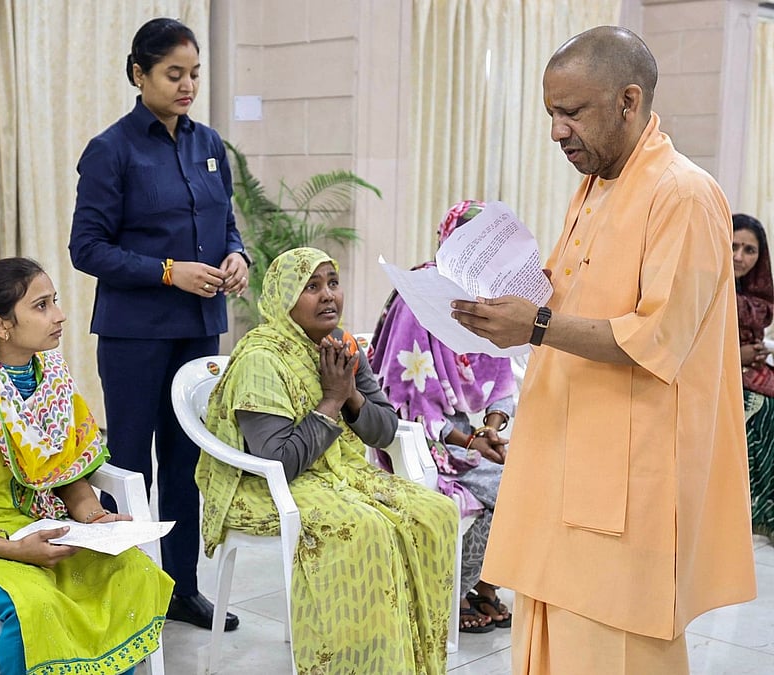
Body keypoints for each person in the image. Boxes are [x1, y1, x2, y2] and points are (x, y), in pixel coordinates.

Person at [450, 26, 756, 673]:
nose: (558, 131)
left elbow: (657, 336)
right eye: (551, 114)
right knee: (550, 640)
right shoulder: (595, 187)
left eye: (572, 112)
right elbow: (564, 299)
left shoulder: (683, 194)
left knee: (612, 650)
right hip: (563, 458)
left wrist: (533, 323)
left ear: (628, 100)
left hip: (627, 484)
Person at [197, 247, 457, 673]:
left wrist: (350, 392)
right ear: (284, 298)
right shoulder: (261, 360)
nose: (328, 296)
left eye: (332, 283)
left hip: (336, 471)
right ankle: (356, 661)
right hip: (264, 487)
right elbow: (279, 462)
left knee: (434, 512)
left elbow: (385, 430)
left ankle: (406, 654)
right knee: (366, 528)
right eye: (311, 287)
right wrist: (332, 400)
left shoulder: (342, 347)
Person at [0, 258, 174, 675]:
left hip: (42, 523)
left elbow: (68, 474)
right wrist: (12, 549)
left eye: (55, 301)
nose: (59, 315)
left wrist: (94, 517)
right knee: (36, 604)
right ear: (0, 325)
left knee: (133, 572)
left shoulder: (52, 375)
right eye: (42, 305)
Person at [69, 17, 248, 630]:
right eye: (174, 74)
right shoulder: (111, 150)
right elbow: (86, 248)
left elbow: (227, 223)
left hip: (199, 326)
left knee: (184, 461)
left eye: (194, 73)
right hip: (134, 331)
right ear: (139, 74)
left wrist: (237, 256)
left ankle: (180, 590)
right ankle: (127, 588)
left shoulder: (208, 145)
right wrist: (170, 271)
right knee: (131, 460)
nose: (187, 85)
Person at [370, 199, 515, 633]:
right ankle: (452, 592)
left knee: (538, 475)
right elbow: (404, 404)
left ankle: (483, 584)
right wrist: (470, 441)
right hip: (421, 443)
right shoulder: (419, 300)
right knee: (513, 484)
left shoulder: (487, 298)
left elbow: (501, 379)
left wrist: (492, 427)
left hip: (471, 439)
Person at [732, 213, 774, 538]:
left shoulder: (754, 295)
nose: (739, 257)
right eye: (733, 246)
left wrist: (755, 353)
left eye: (749, 250)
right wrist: (737, 355)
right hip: (711, 378)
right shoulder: (706, 286)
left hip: (749, 371)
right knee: (760, 410)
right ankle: (754, 511)